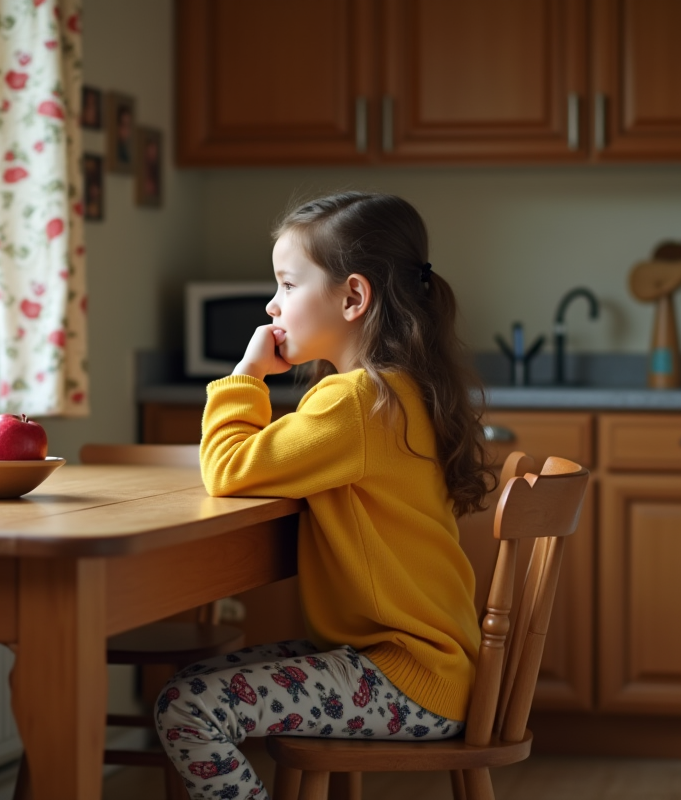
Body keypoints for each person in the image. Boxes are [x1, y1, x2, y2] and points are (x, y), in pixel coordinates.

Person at [155, 192, 494, 799]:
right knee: (191, 686)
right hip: (422, 668)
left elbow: (227, 469)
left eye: (286, 284)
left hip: (404, 675)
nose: (272, 304)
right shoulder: (395, 390)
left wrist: (247, 376)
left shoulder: (357, 402)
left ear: (353, 297)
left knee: (188, 707)